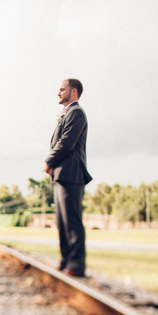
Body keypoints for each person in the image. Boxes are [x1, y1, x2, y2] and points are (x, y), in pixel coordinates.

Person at [43, 79, 92, 277]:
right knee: (61, 221)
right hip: (62, 175)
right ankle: (66, 261)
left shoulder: (77, 113)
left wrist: (49, 161)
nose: (58, 93)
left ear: (73, 92)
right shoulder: (69, 113)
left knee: (72, 220)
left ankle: (76, 264)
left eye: (62, 89)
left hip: (72, 174)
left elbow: (66, 142)